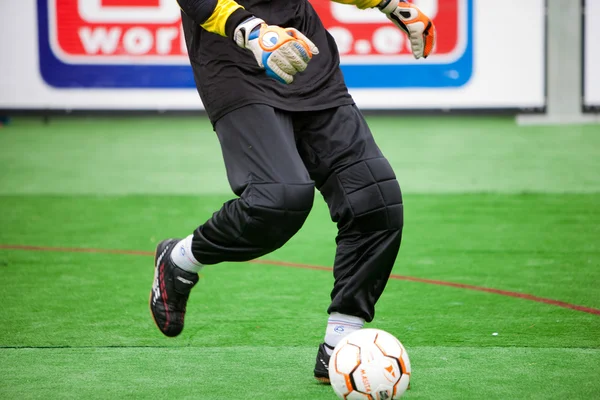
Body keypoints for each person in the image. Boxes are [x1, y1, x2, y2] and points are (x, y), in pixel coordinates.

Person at [150, 0, 435, 383]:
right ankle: (181, 258)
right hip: (234, 61)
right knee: (279, 199)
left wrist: (391, 4)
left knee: (374, 202)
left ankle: (340, 347)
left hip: (304, 54)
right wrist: (251, 30)